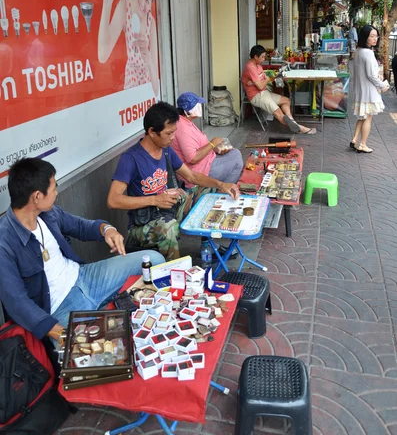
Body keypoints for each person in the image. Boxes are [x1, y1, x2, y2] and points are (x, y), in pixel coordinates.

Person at [0, 158, 164, 342]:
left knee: (154, 260)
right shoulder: (4, 241)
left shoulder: (48, 214)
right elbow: (16, 301)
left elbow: (80, 226)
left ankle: (106, 306)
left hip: (85, 278)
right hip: (60, 308)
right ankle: (107, 307)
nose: (56, 192)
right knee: (88, 361)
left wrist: (107, 230)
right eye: (54, 187)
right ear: (37, 196)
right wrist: (60, 334)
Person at [108, 102, 239, 261]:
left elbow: (191, 176)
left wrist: (220, 184)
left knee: (206, 193)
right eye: (169, 133)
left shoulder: (166, 150)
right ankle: (173, 271)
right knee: (169, 228)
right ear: (152, 132)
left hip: (169, 210)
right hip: (144, 224)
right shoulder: (130, 158)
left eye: (174, 132)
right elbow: (113, 200)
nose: (173, 138)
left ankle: (208, 248)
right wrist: (155, 199)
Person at [98, 0, 159, 94]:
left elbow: (156, 89)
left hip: (148, 92)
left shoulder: (151, 22)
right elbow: (102, 55)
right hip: (131, 90)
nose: (142, 1)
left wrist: (148, 58)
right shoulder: (126, 5)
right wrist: (107, 2)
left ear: (153, 1)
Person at [172, 92, 244, 187]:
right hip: (198, 171)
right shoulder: (183, 128)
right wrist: (212, 144)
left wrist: (215, 148)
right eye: (197, 106)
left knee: (235, 153)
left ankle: (222, 187)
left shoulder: (186, 121)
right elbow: (192, 158)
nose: (200, 107)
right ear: (187, 111)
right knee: (237, 161)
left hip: (206, 161)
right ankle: (223, 191)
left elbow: (197, 146)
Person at [242, 45, 316, 135]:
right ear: (255, 57)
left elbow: (262, 81)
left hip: (264, 93)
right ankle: (301, 128)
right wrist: (267, 79)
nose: (264, 59)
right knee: (278, 113)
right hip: (257, 96)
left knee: (286, 101)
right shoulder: (250, 67)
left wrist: (258, 81)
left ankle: (291, 121)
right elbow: (261, 85)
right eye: (262, 57)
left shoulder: (258, 65)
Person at [350, 25, 389, 153]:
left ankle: (354, 139)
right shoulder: (368, 53)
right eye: (371, 36)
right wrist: (383, 85)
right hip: (369, 92)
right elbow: (371, 75)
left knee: (362, 116)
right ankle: (362, 144)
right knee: (368, 118)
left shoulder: (359, 51)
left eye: (376, 36)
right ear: (365, 37)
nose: (375, 38)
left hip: (360, 90)